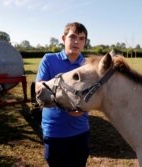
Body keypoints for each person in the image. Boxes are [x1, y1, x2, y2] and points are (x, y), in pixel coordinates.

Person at [35, 22, 90, 167]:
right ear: (63, 38)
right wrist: (65, 102)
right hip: (55, 131)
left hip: (81, 130)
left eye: (82, 38)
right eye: (72, 37)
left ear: (85, 42)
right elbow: (38, 88)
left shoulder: (87, 66)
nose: (77, 41)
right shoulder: (49, 59)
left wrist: (84, 107)